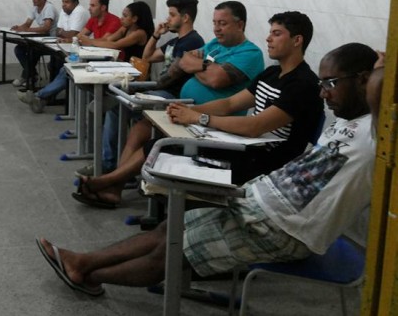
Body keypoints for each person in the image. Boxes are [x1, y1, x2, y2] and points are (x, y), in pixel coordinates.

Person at [38, 43, 378, 297]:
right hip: (257, 200)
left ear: (366, 81)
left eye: (331, 83)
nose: (324, 93)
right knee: (171, 228)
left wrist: (384, 66)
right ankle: (85, 264)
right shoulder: (350, 120)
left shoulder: (379, 132)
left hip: (286, 229)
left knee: (174, 252)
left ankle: (85, 269)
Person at [72, 1, 264, 203]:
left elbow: (216, 80)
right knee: (139, 129)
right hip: (185, 109)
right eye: (214, 23)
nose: (216, 28)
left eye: (222, 23)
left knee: (154, 138)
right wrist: (206, 67)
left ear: (240, 25)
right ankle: (115, 186)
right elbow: (184, 62)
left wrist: (197, 67)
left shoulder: (250, 53)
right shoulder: (215, 45)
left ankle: (108, 181)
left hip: (211, 120)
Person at [167, 11, 324, 183]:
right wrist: (187, 110)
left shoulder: (303, 84)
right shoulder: (271, 73)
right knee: (167, 149)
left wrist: (199, 117)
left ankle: (176, 207)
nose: (268, 38)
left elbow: (254, 126)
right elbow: (230, 104)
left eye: (276, 34)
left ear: (297, 40)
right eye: (270, 32)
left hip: (268, 166)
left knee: (172, 158)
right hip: (248, 150)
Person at [78, 0, 205, 176]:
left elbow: (170, 79)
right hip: (161, 89)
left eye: (172, 15)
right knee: (117, 105)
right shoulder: (176, 40)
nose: (167, 19)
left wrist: (143, 88)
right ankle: (111, 163)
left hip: (171, 94)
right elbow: (148, 57)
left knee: (118, 105)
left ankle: (111, 165)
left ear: (185, 18)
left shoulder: (192, 41)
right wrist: (156, 35)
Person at [18, 0, 121, 112]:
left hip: (107, 60)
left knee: (67, 69)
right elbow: (80, 36)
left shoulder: (114, 21)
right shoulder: (93, 20)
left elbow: (105, 41)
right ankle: (42, 98)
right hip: (93, 56)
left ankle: (40, 96)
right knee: (65, 68)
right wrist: (68, 40)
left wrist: (85, 40)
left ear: (103, 7)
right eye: (90, 5)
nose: (89, 9)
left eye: (93, 6)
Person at [11, 0, 57, 88]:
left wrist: (27, 30)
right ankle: (33, 75)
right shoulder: (34, 8)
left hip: (51, 41)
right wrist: (18, 27)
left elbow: (46, 28)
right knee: (19, 49)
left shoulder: (49, 8)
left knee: (32, 51)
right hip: (41, 39)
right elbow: (27, 24)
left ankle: (27, 76)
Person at [78, 1, 154, 63]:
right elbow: (108, 39)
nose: (121, 18)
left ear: (134, 19)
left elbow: (116, 45)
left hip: (138, 70)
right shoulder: (125, 28)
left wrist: (90, 42)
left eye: (125, 16)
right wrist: (87, 40)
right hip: (126, 65)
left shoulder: (139, 33)